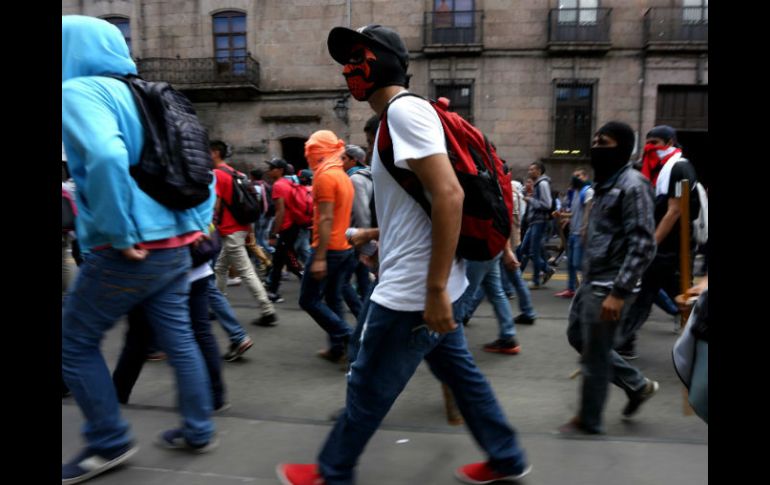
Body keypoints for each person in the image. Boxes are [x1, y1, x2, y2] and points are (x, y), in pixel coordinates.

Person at [277, 24, 531, 485]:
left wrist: (433, 290)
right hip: (427, 282)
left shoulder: (403, 112)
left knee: (369, 381)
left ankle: (333, 471)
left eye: (360, 56)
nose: (350, 68)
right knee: (460, 374)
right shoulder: (402, 116)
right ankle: (507, 456)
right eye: (347, 60)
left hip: (413, 290)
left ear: (389, 62)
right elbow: (422, 207)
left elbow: (449, 195)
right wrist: (377, 236)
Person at [62, 15, 218, 484]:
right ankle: (198, 428)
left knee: (73, 343)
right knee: (180, 339)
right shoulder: (153, 93)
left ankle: (108, 441)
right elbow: (199, 163)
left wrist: (121, 234)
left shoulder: (78, 91)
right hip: (178, 245)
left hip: (130, 251)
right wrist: (196, 225)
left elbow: (106, 156)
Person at [560, 121, 659, 435]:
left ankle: (588, 422)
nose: (595, 147)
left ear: (622, 148)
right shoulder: (605, 184)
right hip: (593, 281)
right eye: (595, 141)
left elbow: (643, 244)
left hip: (611, 286)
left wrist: (619, 293)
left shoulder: (633, 185)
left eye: (603, 142)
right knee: (579, 338)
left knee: (595, 356)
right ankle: (637, 385)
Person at [617, 125, 700, 359]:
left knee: (685, 299)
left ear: (670, 142)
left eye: (655, 143)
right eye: (647, 143)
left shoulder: (680, 167)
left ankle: (624, 343)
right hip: (661, 248)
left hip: (673, 249)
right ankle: (623, 343)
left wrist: (650, 243)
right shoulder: (659, 169)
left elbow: (674, 211)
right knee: (643, 294)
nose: (649, 147)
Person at [298, 130, 357, 365]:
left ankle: (350, 337)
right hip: (343, 247)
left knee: (308, 300)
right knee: (333, 298)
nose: (308, 156)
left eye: (311, 150)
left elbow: (325, 219)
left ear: (318, 151)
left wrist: (320, 257)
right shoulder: (342, 175)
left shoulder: (324, 176)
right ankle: (337, 349)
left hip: (328, 248)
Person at [211, 140, 278, 327]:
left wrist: (211, 226)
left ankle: (267, 310)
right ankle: (217, 306)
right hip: (241, 226)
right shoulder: (236, 173)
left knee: (246, 271)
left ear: (215, 153)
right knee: (221, 268)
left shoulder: (217, 174)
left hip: (230, 229)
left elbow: (216, 205)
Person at [265, 157, 304, 303]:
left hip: (286, 227)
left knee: (283, 260)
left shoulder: (278, 185)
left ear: (280, 170)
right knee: (285, 259)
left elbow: (280, 211)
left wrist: (274, 232)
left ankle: (273, 291)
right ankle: (273, 290)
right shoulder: (288, 183)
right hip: (293, 226)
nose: (269, 171)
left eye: (272, 168)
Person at [554, 168, 593, 299]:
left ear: (585, 177)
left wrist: (584, 228)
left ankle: (589, 286)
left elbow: (588, 211)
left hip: (580, 234)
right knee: (570, 263)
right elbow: (575, 213)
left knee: (578, 263)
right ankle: (571, 289)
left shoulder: (587, 191)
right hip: (572, 233)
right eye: (574, 176)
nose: (575, 178)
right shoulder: (575, 192)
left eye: (578, 175)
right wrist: (563, 216)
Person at [517, 161, 555, 288]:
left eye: (532, 169)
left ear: (539, 171)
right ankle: (545, 271)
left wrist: (530, 200)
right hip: (533, 221)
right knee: (524, 249)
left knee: (533, 251)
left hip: (539, 221)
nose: (529, 172)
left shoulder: (543, 183)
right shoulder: (537, 184)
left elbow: (547, 204)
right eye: (529, 169)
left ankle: (538, 278)